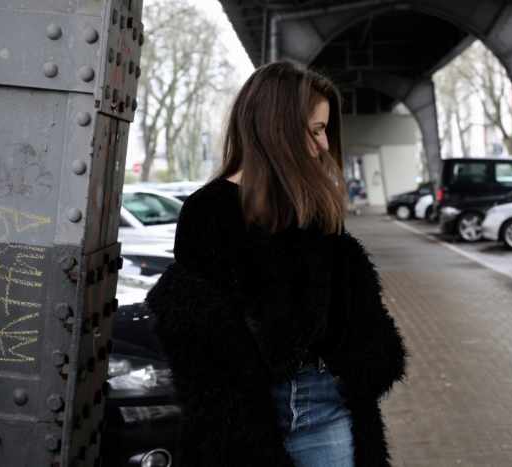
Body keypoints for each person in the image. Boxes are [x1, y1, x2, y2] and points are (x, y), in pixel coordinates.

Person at [145, 61, 407, 467]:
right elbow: (200, 346)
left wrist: (360, 364)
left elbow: (350, 312)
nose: (323, 145)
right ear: (278, 124)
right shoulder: (209, 211)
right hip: (246, 418)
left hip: (327, 406)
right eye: (316, 129)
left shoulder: (313, 207)